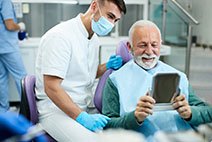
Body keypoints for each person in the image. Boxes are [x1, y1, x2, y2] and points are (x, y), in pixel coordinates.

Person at [102, 20, 212, 141]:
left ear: (161, 45)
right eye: (143, 45)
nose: (149, 52)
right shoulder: (115, 80)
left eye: (154, 45)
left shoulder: (179, 77)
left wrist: (190, 113)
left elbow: (208, 112)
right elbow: (108, 125)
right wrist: (134, 118)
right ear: (129, 47)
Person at [35, 0, 126, 141]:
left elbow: (85, 73)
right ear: (94, 6)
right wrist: (82, 117)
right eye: (110, 16)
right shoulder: (61, 36)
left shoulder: (93, 39)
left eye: (115, 20)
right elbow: (51, 87)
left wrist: (107, 66)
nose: (111, 24)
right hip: (55, 110)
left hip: (81, 107)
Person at [0, 0, 27, 112]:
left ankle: (3, 111)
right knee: (22, 78)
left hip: (2, 45)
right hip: (7, 46)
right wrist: (20, 26)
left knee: (2, 78)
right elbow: (10, 25)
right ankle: (29, 109)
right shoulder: (5, 1)